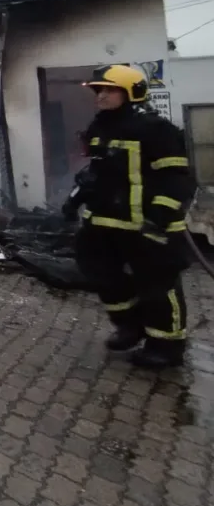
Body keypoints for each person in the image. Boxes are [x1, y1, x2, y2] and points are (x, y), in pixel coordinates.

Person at [63, 63, 197, 369]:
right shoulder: (100, 128)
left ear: (132, 92)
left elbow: (176, 176)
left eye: (109, 90)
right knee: (99, 272)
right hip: (107, 221)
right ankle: (130, 324)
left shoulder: (156, 130)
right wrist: (75, 201)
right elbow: (95, 174)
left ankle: (166, 346)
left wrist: (161, 213)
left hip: (147, 225)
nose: (101, 96)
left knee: (157, 285)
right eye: (99, 91)